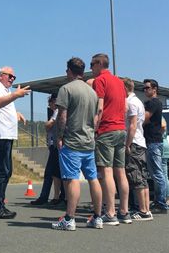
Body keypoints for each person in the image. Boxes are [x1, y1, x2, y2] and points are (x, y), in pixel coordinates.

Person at [52, 57, 104, 231]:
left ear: (70, 71)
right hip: (89, 142)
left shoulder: (66, 89)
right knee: (93, 178)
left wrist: (59, 136)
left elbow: (62, 116)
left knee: (72, 179)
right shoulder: (92, 92)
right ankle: (97, 217)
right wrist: (92, 132)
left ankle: (69, 218)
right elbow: (97, 117)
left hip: (72, 142)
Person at [0, 67, 30, 219]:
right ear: (1, 76)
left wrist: (15, 114)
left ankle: (0, 205)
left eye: (14, 77)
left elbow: (3, 108)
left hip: (5, 136)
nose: (12, 79)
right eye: (10, 76)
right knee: (1, 171)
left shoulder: (5, 91)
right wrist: (16, 94)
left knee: (6, 171)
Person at [90, 53, 130, 225]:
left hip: (106, 129)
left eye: (92, 64)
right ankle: (124, 211)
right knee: (120, 171)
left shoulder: (100, 80)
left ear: (99, 64)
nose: (90, 68)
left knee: (106, 171)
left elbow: (99, 107)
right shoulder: (120, 82)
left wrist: (94, 128)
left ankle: (110, 212)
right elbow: (126, 107)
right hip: (121, 129)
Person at [123, 78, 153, 221]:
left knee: (135, 175)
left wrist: (127, 144)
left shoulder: (131, 102)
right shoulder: (138, 102)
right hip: (140, 142)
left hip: (134, 142)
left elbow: (132, 125)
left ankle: (142, 210)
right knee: (142, 176)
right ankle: (146, 208)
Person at [31, 94, 65, 206]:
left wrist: (47, 124)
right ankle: (59, 196)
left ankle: (46, 197)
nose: (49, 105)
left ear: (55, 101)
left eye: (50, 102)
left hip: (56, 146)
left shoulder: (57, 111)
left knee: (50, 172)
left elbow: (48, 125)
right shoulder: (57, 111)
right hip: (54, 145)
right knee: (56, 172)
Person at [143, 78, 169, 214]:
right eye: (144, 88)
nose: (145, 90)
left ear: (155, 89)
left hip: (153, 141)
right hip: (153, 141)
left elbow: (145, 118)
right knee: (156, 173)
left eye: (147, 88)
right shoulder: (152, 103)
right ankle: (160, 201)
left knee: (157, 173)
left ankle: (160, 202)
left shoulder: (154, 103)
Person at [161, 116, 169, 209]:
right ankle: (168, 200)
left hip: (161, 145)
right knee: (164, 175)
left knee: (162, 175)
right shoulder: (163, 117)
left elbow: (163, 126)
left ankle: (166, 200)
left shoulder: (160, 118)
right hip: (165, 145)